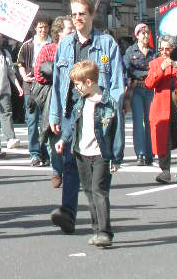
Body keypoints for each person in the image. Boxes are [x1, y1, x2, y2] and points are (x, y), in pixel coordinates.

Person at [49, 0, 124, 234]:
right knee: (71, 162)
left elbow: (117, 85)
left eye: (82, 13)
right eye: (74, 14)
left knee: (97, 170)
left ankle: (100, 224)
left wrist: (109, 110)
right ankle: (68, 213)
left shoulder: (106, 44)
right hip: (72, 113)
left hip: (98, 112)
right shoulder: (65, 45)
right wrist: (55, 115)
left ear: (92, 15)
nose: (78, 18)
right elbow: (58, 82)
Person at [56, 60, 124, 248]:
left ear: (88, 82)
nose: (75, 88)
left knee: (99, 191)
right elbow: (72, 125)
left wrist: (116, 157)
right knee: (88, 192)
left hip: (101, 153)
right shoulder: (80, 103)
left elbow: (117, 132)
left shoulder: (108, 103)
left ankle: (105, 232)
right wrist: (63, 139)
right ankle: (96, 230)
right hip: (81, 152)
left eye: (77, 84)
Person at [145, 35, 177, 184]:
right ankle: (165, 171)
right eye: (161, 49)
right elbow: (149, 83)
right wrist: (161, 69)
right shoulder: (155, 63)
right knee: (163, 138)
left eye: (167, 49)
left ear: (174, 49)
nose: (163, 52)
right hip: (161, 106)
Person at [32, 15, 74, 188]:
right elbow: (37, 74)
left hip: (74, 98)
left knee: (73, 137)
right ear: (59, 33)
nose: (73, 32)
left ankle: (72, 171)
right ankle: (57, 171)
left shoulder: (76, 48)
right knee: (54, 136)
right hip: (54, 98)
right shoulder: (49, 49)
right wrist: (53, 73)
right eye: (69, 30)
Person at [17, 14, 53, 166]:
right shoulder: (27, 45)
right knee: (32, 121)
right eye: (40, 27)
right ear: (35, 28)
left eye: (45, 27)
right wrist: (24, 77)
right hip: (31, 87)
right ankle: (35, 153)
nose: (42, 30)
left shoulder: (53, 43)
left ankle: (47, 152)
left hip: (48, 87)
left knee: (47, 121)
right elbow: (20, 63)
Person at [123, 23, 155, 165]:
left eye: (147, 33)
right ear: (137, 35)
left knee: (150, 122)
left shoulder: (153, 52)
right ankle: (140, 154)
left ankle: (150, 153)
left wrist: (147, 74)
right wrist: (145, 73)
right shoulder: (130, 51)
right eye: (143, 33)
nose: (146, 36)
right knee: (138, 121)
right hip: (136, 89)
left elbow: (157, 70)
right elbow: (127, 69)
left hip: (150, 90)